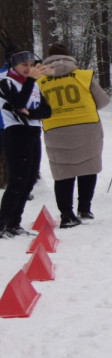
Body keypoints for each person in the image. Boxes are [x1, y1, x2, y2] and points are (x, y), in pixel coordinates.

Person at [39, 43, 110, 227]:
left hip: (56, 128)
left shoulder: (39, 80)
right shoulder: (82, 75)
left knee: (63, 172)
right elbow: (103, 101)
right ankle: (84, 208)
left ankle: (66, 214)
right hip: (87, 126)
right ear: (68, 56)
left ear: (48, 58)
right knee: (88, 167)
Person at [0, 51, 50, 235]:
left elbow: (47, 111)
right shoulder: (6, 81)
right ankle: (2, 224)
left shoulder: (34, 85)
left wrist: (29, 113)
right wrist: (30, 82)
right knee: (17, 181)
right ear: (14, 66)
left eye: (31, 65)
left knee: (29, 181)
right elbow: (17, 102)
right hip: (16, 133)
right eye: (24, 66)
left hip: (33, 132)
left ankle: (14, 223)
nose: (28, 69)